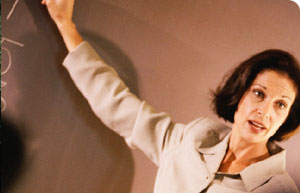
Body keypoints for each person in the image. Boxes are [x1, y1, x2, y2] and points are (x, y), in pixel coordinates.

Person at [42, 0, 300, 192]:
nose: (265, 112)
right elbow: (117, 104)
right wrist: (66, 25)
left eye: (280, 104)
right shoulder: (196, 138)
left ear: (286, 118)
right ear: (239, 94)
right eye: (258, 93)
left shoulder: (280, 190)